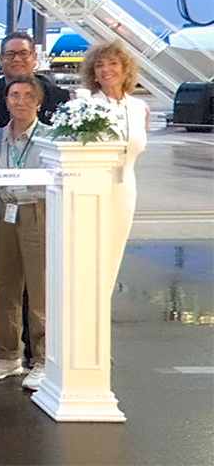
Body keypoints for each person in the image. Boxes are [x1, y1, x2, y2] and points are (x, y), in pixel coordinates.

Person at [0, 76, 50, 388]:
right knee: (4, 284)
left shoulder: (49, 136)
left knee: (40, 287)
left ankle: (44, 358)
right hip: (4, 211)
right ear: (6, 101)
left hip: (36, 211)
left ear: (38, 102)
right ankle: (8, 354)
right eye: (14, 95)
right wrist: (6, 180)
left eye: (27, 95)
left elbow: (48, 178)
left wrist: (4, 176)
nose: (20, 101)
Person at [81, 40, 149, 284]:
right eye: (99, 65)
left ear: (125, 68)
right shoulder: (85, 107)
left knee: (115, 250)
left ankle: (103, 307)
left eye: (112, 63)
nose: (106, 69)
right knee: (90, 254)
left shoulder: (140, 108)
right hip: (93, 190)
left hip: (126, 189)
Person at [0, 31, 70, 129]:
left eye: (23, 53)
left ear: (34, 57)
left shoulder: (58, 97)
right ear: (1, 59)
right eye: (10, 54)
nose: (17, 59)